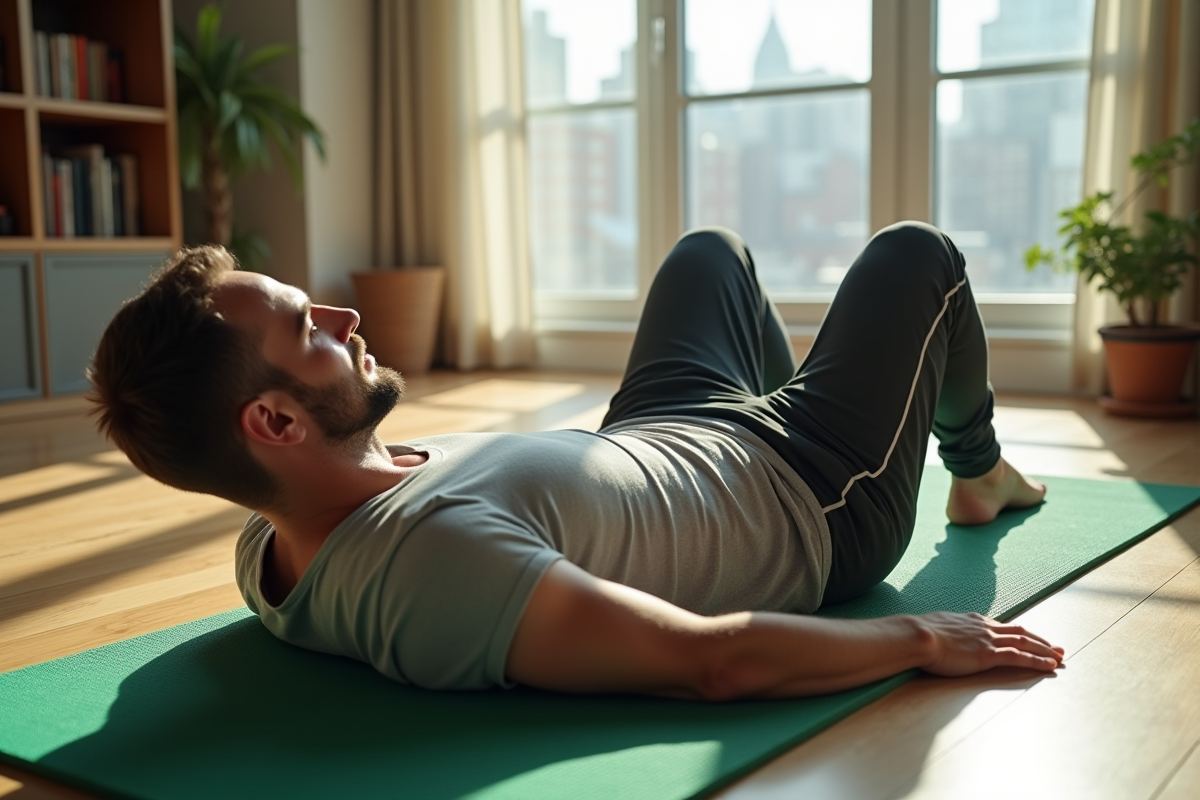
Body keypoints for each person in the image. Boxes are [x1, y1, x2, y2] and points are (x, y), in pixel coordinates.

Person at [89, 221, 1056, 699]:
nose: (344, 318)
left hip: (659, 431)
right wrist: (923, 641)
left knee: (707, 254)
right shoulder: (436, 564)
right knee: (917, 255)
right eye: (310, 330)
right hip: (808, 491)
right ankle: (979, 472)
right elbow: (705, 660)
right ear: (275, 423)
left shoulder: (267, 534)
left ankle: (824, 390)